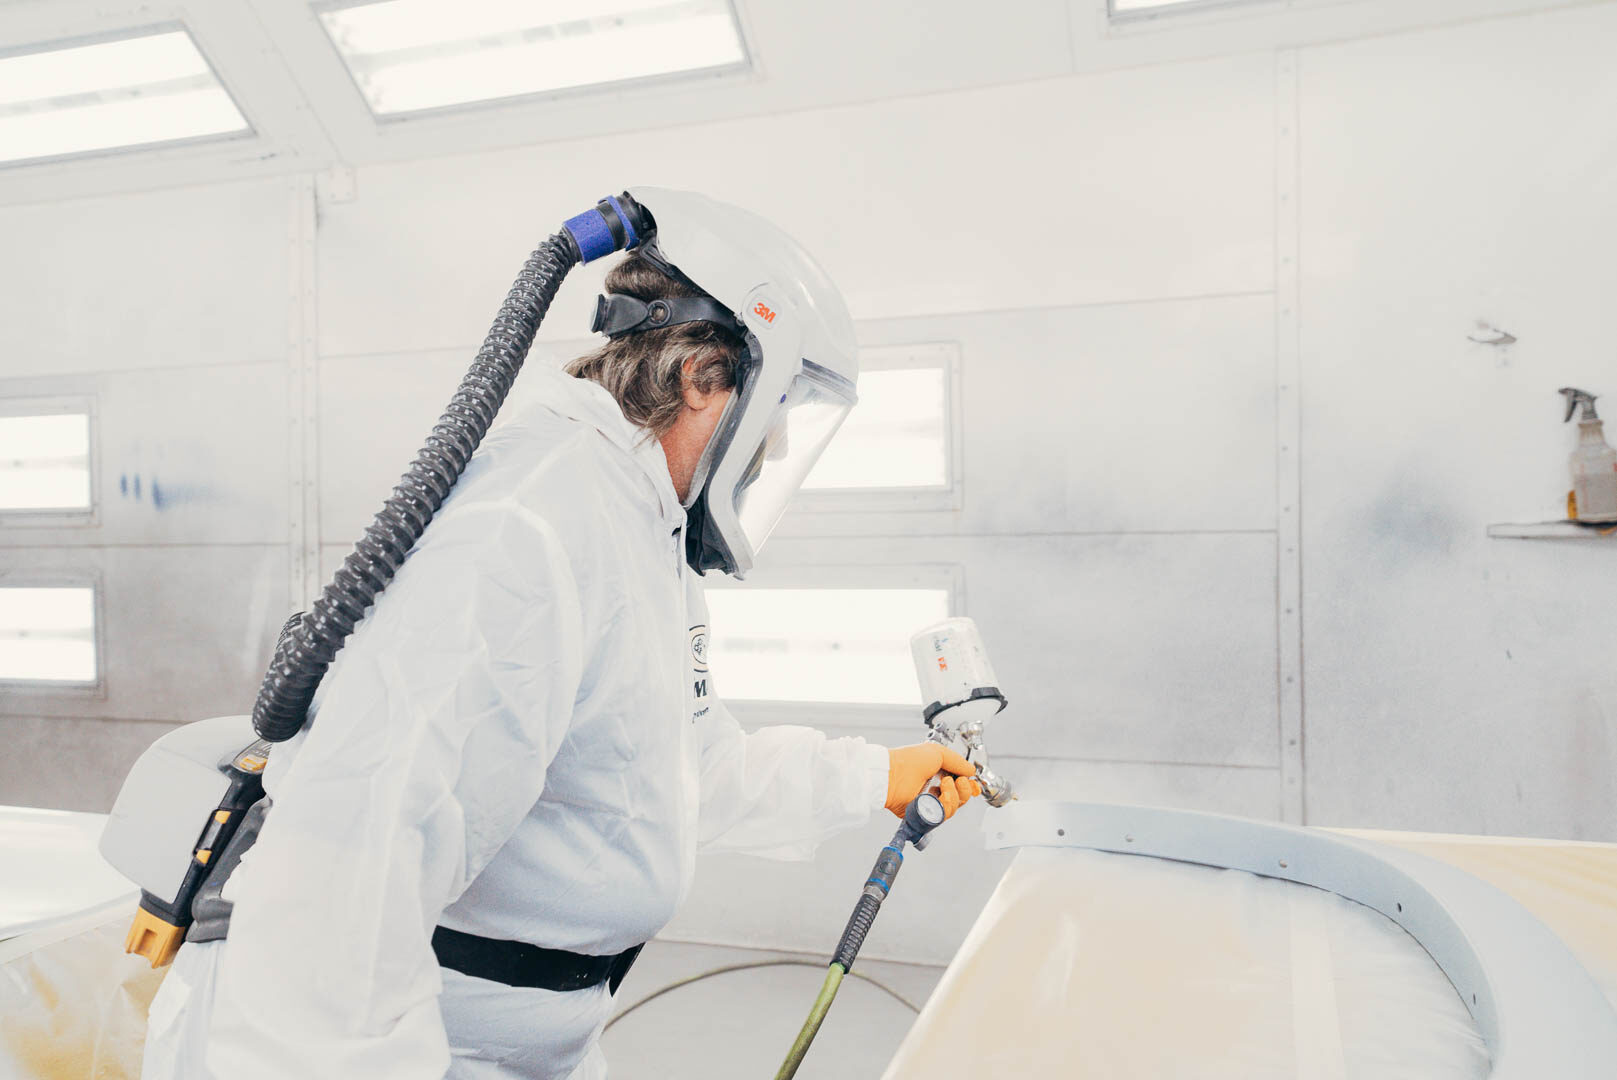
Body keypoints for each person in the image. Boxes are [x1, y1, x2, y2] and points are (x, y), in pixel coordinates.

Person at [141, 191, 981, 1080]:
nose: (773, 445)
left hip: (528, 1037)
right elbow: (354, 862)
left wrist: (869, 778)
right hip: (390, 1038)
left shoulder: (635, 525)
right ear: (702, 376)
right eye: (777, 404)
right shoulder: (530, 526)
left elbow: (659, 772)